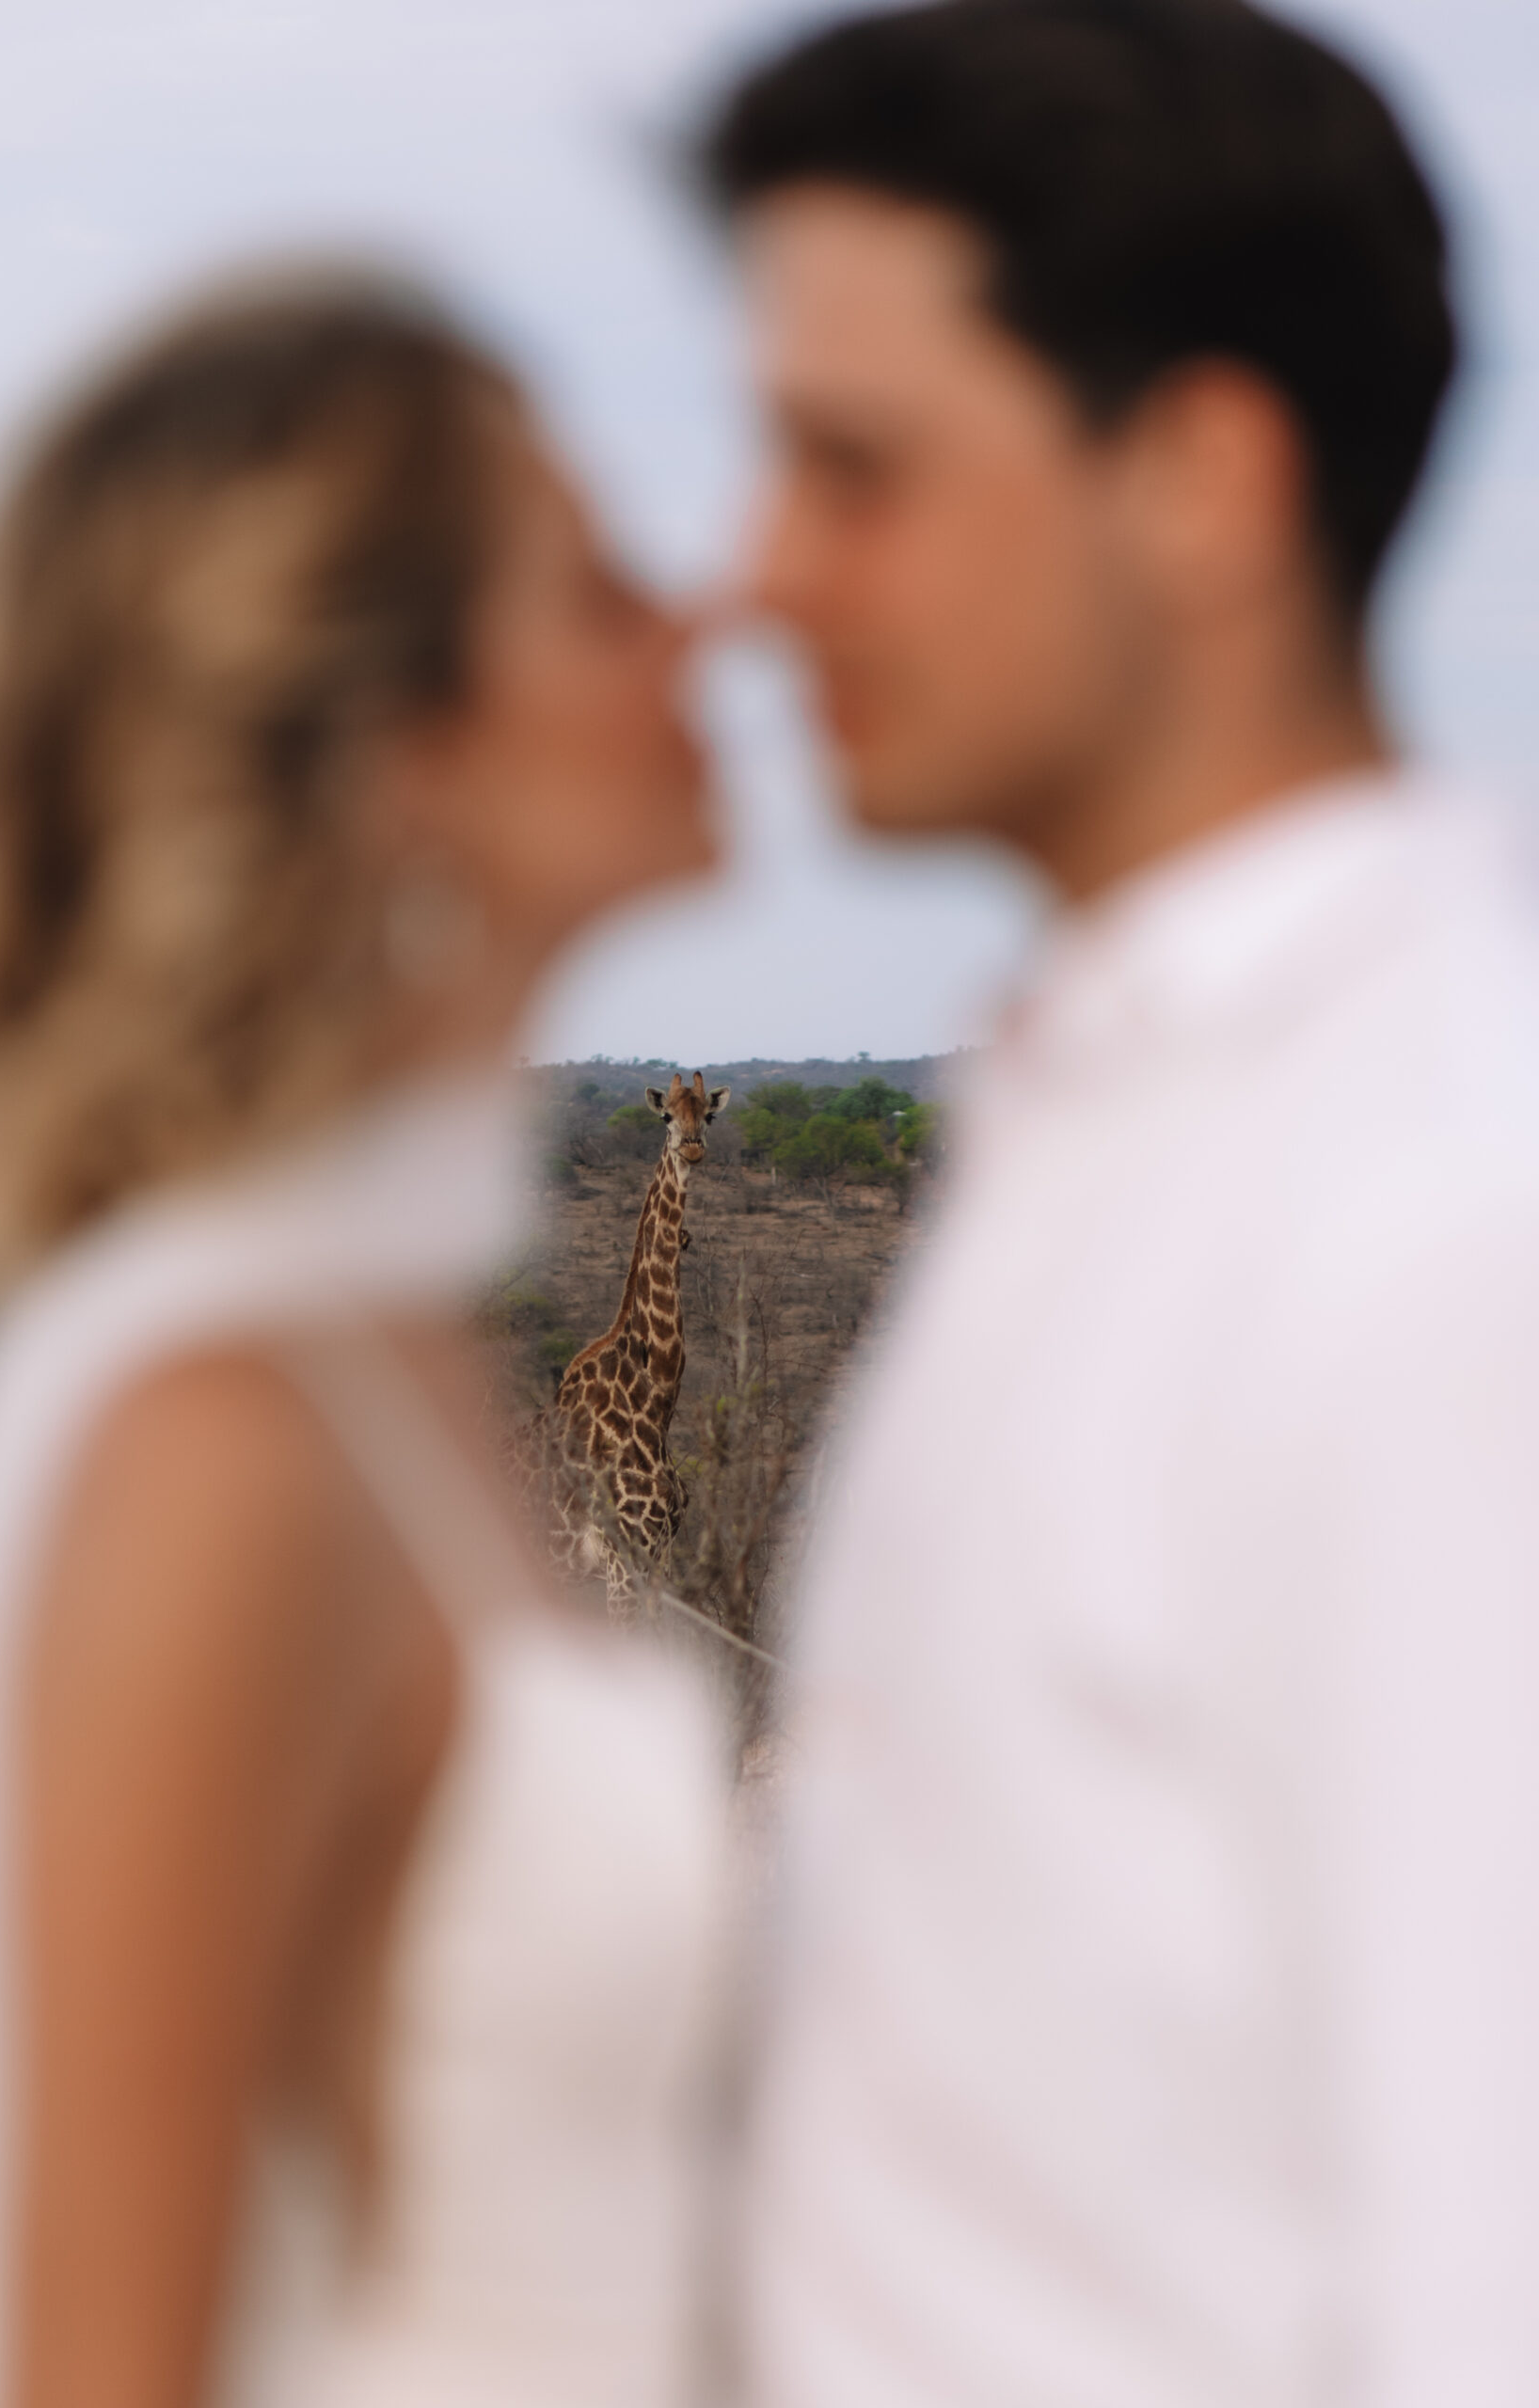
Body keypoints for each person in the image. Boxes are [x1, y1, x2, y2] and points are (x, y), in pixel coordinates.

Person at [702, 3, 1539, 2400]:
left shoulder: (1433, 1226)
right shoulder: (1130, 1135)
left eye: (851, 469)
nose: (759, 575)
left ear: (1194, 475)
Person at [0, 271, 730, 2408]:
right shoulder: (212, 1434)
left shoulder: (376, 1369)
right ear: (400, 751)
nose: (701, 619)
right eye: (599, 585)